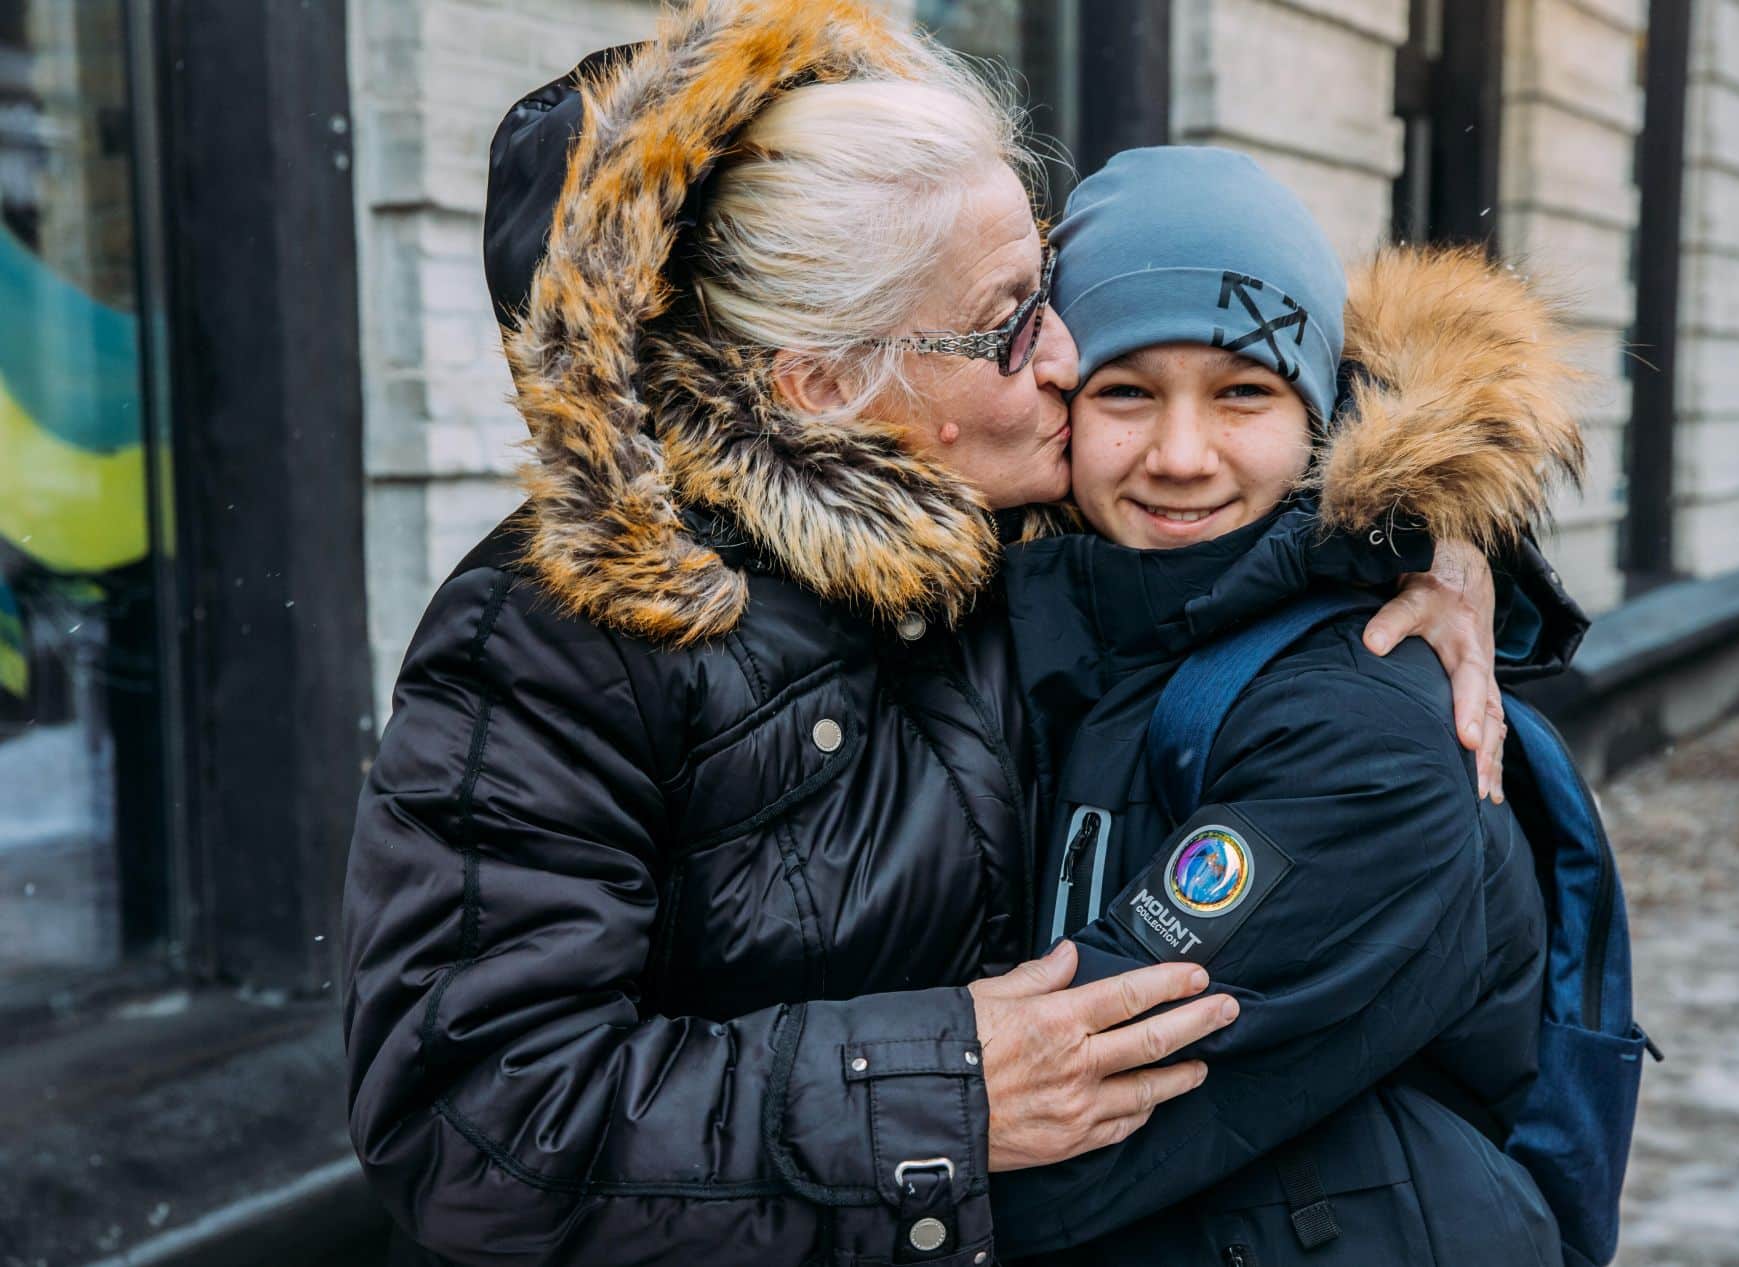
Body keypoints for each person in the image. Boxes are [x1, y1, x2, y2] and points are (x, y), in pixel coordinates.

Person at [340, 3, 1585, 1263]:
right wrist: (941, 1091)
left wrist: (1422, 524)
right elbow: (474, 1122)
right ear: (823, 384)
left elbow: (1247, 362)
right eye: (1006, 320)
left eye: (1047, 280)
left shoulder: (1018, 514)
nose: (1064, 354)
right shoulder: (559, 635)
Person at [990, 146, 1580, 1264]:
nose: (1178, 455)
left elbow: (1084, 1109)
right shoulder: (1070, 617)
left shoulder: (1364, 716)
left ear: (1322, 416)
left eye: (1242, 393)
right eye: (1126, 392)